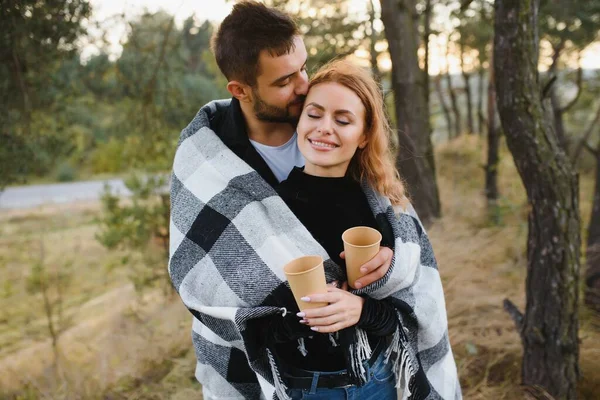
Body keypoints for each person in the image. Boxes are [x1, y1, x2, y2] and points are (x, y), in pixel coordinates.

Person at [168, 1, 460, 399]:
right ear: (240, 90)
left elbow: (396, 221)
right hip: (291, 370)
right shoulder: (208, 156)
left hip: (372, 362)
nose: (304, 86)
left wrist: (392, 260)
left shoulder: (333, 128)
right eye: (286, 80)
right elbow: (199, 272)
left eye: (304, 67)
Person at [262, 59, 461, 399]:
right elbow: (252, 322)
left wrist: (363, 308)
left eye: (342, 120)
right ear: (299, 121)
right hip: (306, 389)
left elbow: (411, 311)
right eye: (314, 114)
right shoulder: (267, 209)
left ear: (365, 135)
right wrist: (304, 308)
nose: (325, 127)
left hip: (380, 380)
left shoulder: (386, 211)